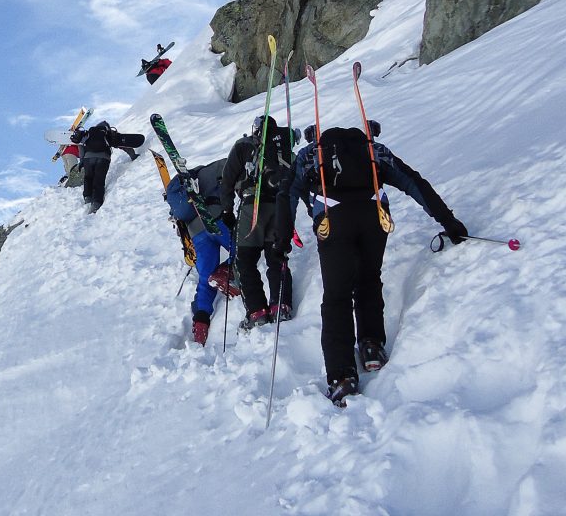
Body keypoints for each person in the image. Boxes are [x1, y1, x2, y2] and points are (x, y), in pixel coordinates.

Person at [276, 121, 468, 405]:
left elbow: (286, 195)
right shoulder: (372, 150)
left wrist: (280, 245)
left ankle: (342, 376)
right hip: (374, 216)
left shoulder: (310, 155)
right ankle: (371, 346)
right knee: (368, 278)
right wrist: (449, 222)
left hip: (333, 221)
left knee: (337, 296)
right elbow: (413, 182)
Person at [220, 116, 296, 331]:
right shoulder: (284, 149)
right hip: (280, 207)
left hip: (252, 207)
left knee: (244, 260)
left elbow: (227, 179)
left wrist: (227, 209)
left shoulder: (244, 145)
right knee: (276, 256)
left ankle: (257, 312)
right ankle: (281, 305)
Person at [164, 159, 235, 345]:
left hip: (197, 232)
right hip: (216, 219)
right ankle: (225, 272)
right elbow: (234, 173)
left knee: (204, 278)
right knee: (243, 251)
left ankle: (201, 322)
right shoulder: (218, 168)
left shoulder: (183, 189)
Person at [71, 120, 121, 213]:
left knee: (88, 178)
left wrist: (82, 160)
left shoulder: (89, 133)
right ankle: (96, 203)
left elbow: (81, 145)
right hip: (103, 158)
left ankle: (87, 197)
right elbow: (120, 144)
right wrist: (133, 155)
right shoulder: (107, 133)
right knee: (99, 180)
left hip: (88, 158)